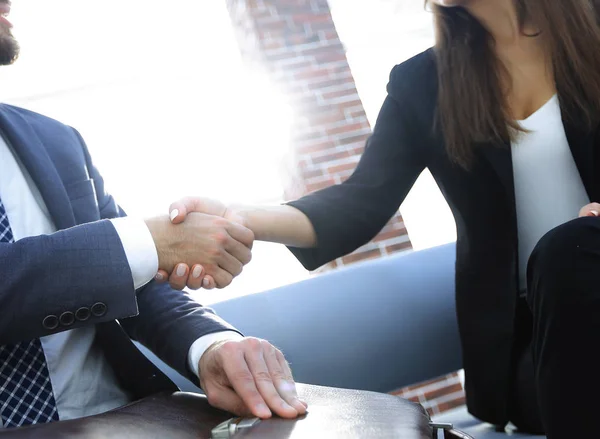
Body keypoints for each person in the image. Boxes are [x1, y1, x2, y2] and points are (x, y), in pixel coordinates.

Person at [160, 0, 600, 437]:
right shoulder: (423, 83)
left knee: (575, 245)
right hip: (540, 342)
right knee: (566, 253)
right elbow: (359, 204)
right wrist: (238, 217)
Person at [0, 1, 306, 430]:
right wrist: (149, 242)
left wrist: (211, 346)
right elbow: (133, 253)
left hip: (120, 422)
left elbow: (130, 281)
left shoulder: (57, 141)